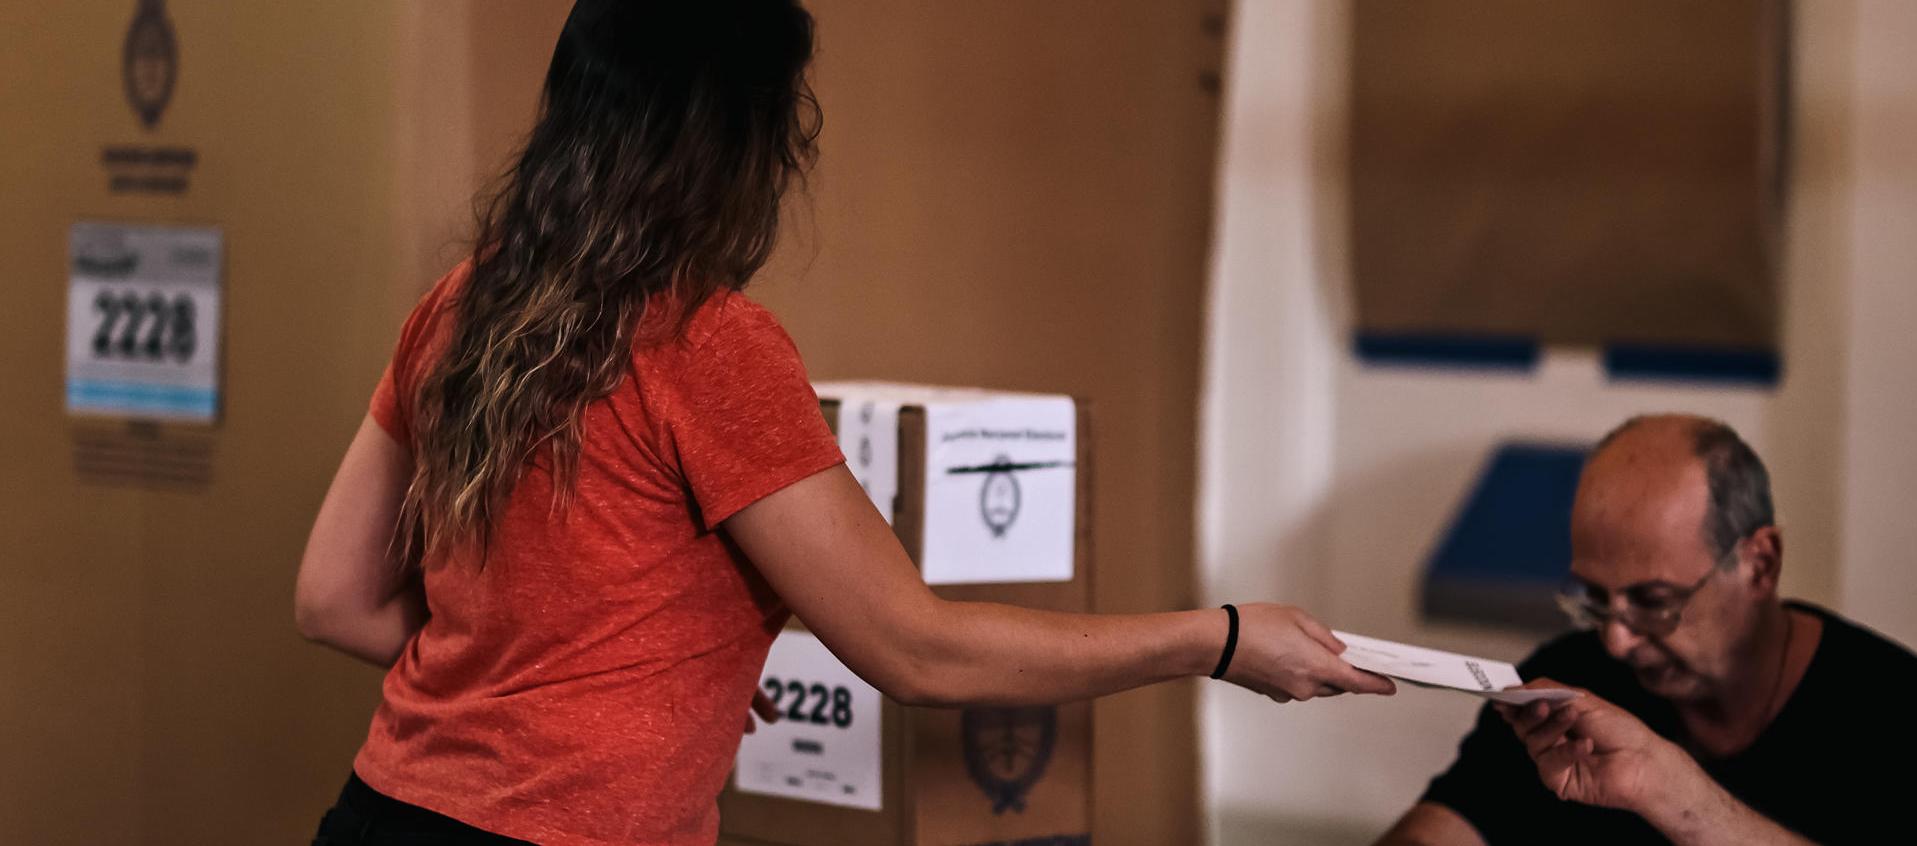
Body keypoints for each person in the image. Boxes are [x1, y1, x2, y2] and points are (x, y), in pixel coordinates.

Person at [294, 2, 1392, 844]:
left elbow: (334, 598)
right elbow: (917, 652)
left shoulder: (459, 305)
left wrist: (619, 689)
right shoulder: (706, 343)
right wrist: (1219, 639)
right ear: (744, 140)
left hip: (381, 815)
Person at [1376, 415, 1917, 846]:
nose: (1617, 642)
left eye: (1654, 602)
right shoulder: (1570, 679)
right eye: (1594, 598)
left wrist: (1677, 799)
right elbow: (1445, 825)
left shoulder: (1890, 709)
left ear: (1760, 565)